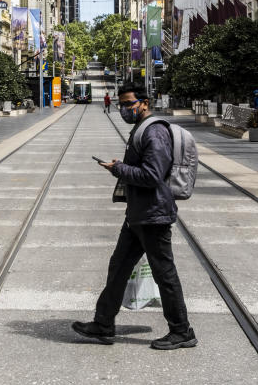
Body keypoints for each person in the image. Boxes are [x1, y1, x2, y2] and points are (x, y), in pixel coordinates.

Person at [73, 82, 196, 350]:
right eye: (122, 104)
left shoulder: (154, 132)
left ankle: (182, 331)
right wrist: (123, 167)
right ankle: (103, 323)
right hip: (138, 214)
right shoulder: (141, 130)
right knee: (118, 267)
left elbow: (153, 175)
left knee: (165, 273)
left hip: (153, 216)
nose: (125, 109)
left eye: (129, 103)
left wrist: (119, 169)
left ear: (144, 103)